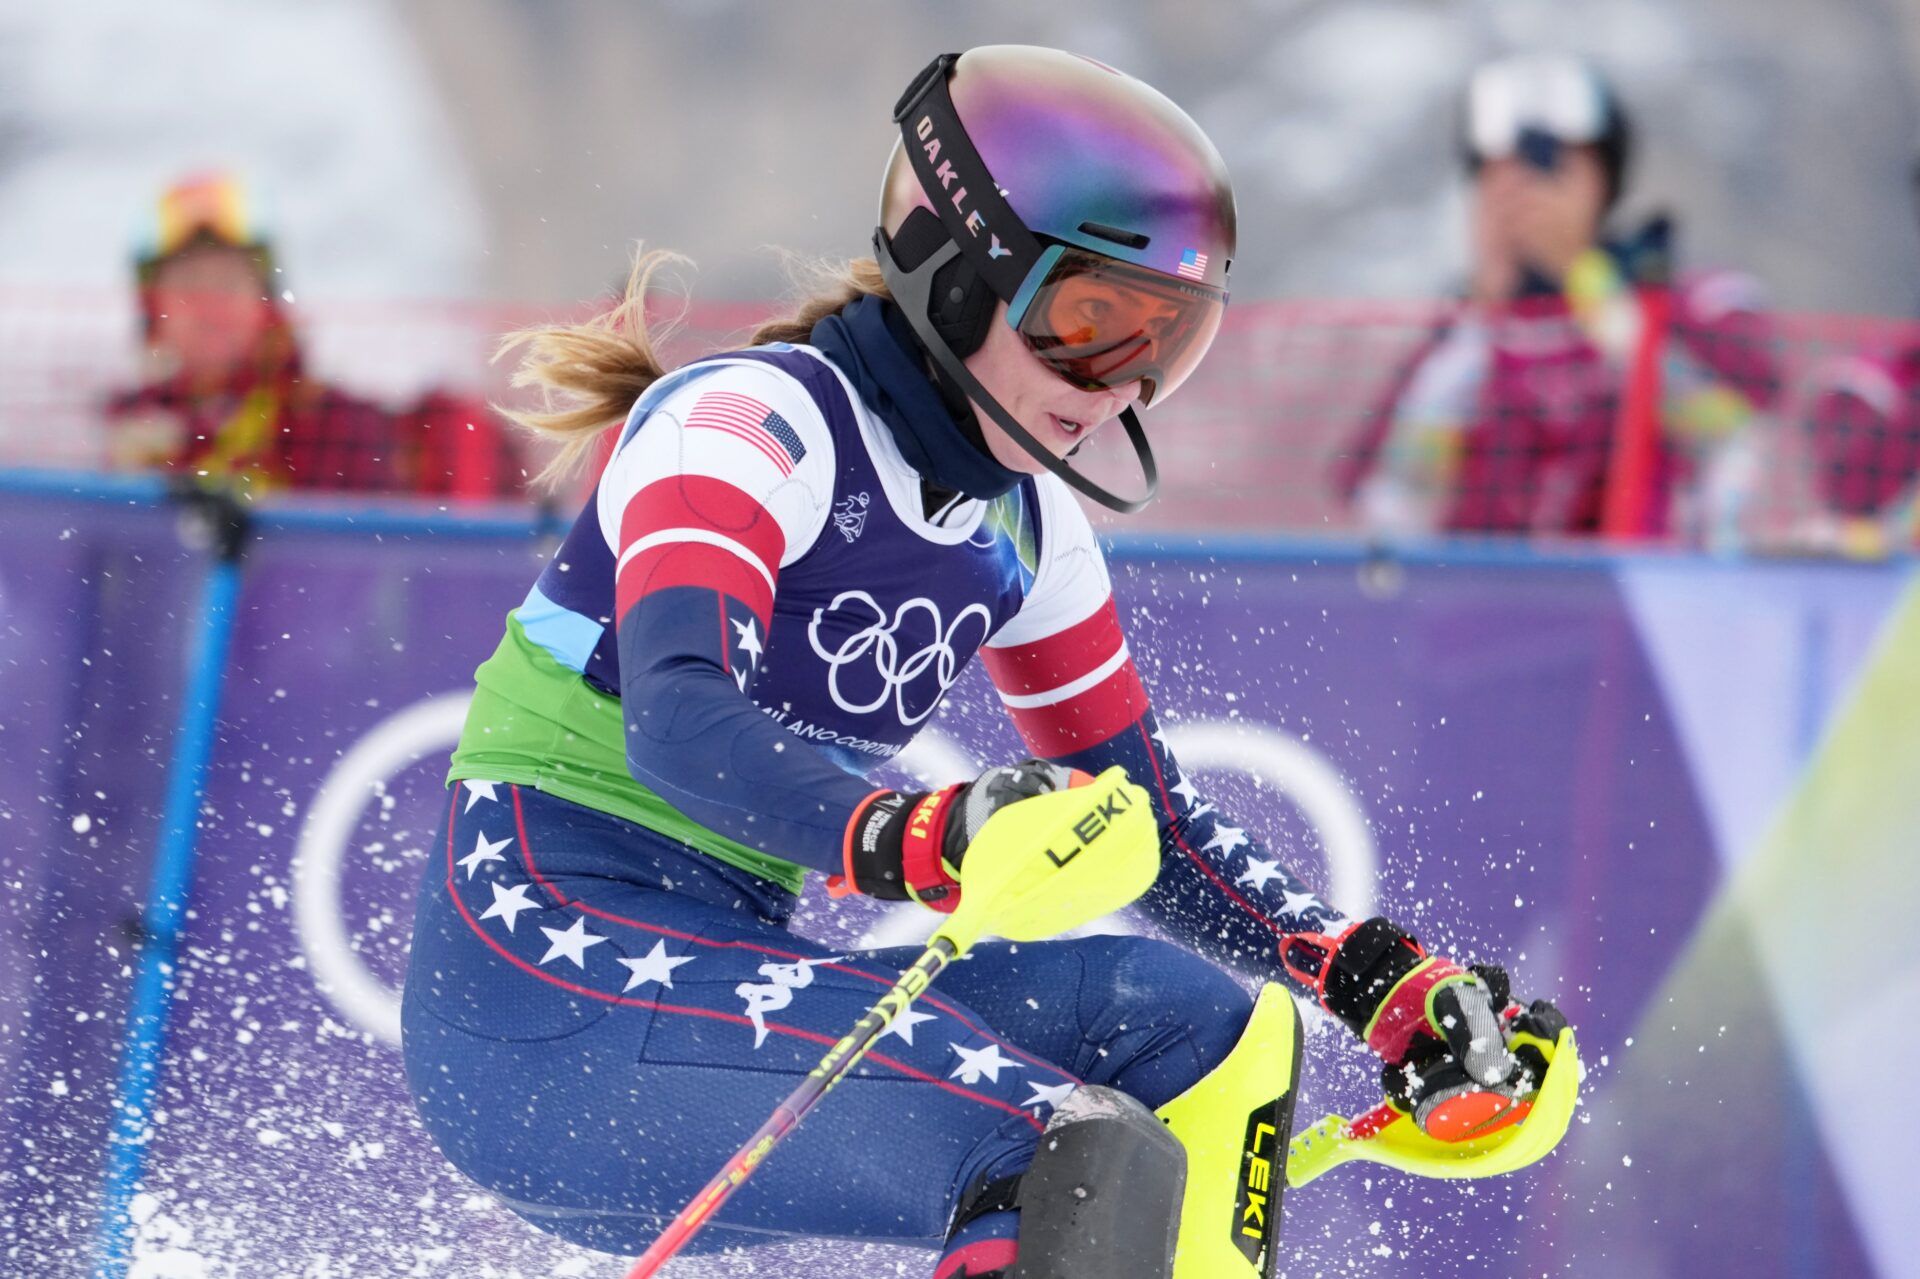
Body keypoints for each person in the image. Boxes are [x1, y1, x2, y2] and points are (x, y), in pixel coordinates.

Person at [402, 46, 1566, 1279]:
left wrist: (1383, 983)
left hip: (718, 982)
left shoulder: (1027, 526)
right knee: (1063, 1154)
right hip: (541, 997)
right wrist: (929, 835)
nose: (1122, 388)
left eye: (1166, 344)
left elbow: (1157, 828)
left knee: (1195, 1036)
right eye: (1092, 324)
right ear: (957, 274)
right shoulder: (751, 422)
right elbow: (677, 718)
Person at [1334, 54, 1778, 538]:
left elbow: (1737, 423)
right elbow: (1381, 493)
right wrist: (1481, 313)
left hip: (1638, 580)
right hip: (1483, 583)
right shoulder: (1458, 336)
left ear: (1604, 181)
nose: (1523, 196)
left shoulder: (1683, 300)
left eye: (1550, 169)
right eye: (1498, 176)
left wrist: (1585, 280)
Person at [105, 171, 522, 498]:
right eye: (188, 285)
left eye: (228, 282)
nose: (209, 305)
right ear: (151, 310)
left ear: (266, 302)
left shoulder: (331, 426)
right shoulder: (117, 435)